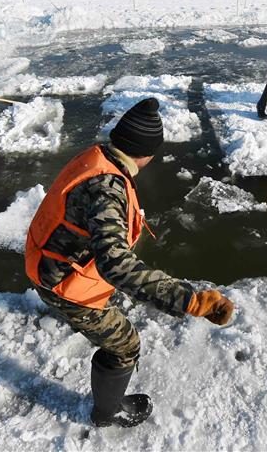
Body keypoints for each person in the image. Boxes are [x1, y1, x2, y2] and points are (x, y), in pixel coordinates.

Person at [25, 98, 235, 428]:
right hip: (61, 281)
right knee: (125, 345)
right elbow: (116, 265)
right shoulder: (107, 190)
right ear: (146, 152)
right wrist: (190, 300)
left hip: (46, 259)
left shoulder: (99, 158)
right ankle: (106, 414)